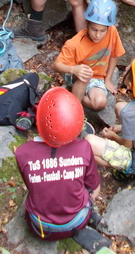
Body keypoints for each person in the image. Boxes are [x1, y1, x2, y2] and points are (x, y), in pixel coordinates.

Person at [14, 87, 110, 251]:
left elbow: (31, 187)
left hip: (40, 227)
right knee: (91, 188)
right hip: (77, 220)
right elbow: (94, 188)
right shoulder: (84, 148)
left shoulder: (23, 152)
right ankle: (82, 220)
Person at [52, 0, 125, 112]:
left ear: (108, 28)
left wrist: (108, 79)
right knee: (85, 73)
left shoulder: (112, 32)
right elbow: (56, 65)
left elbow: (115, 54)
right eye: (94, 29)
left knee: (99, 103)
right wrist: (74, 69)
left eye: (102, 31)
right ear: (87, 24)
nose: (98, 35)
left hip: (96, 77)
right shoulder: (75, 43)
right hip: (74, 74)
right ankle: (74, 109)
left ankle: (74, 97)